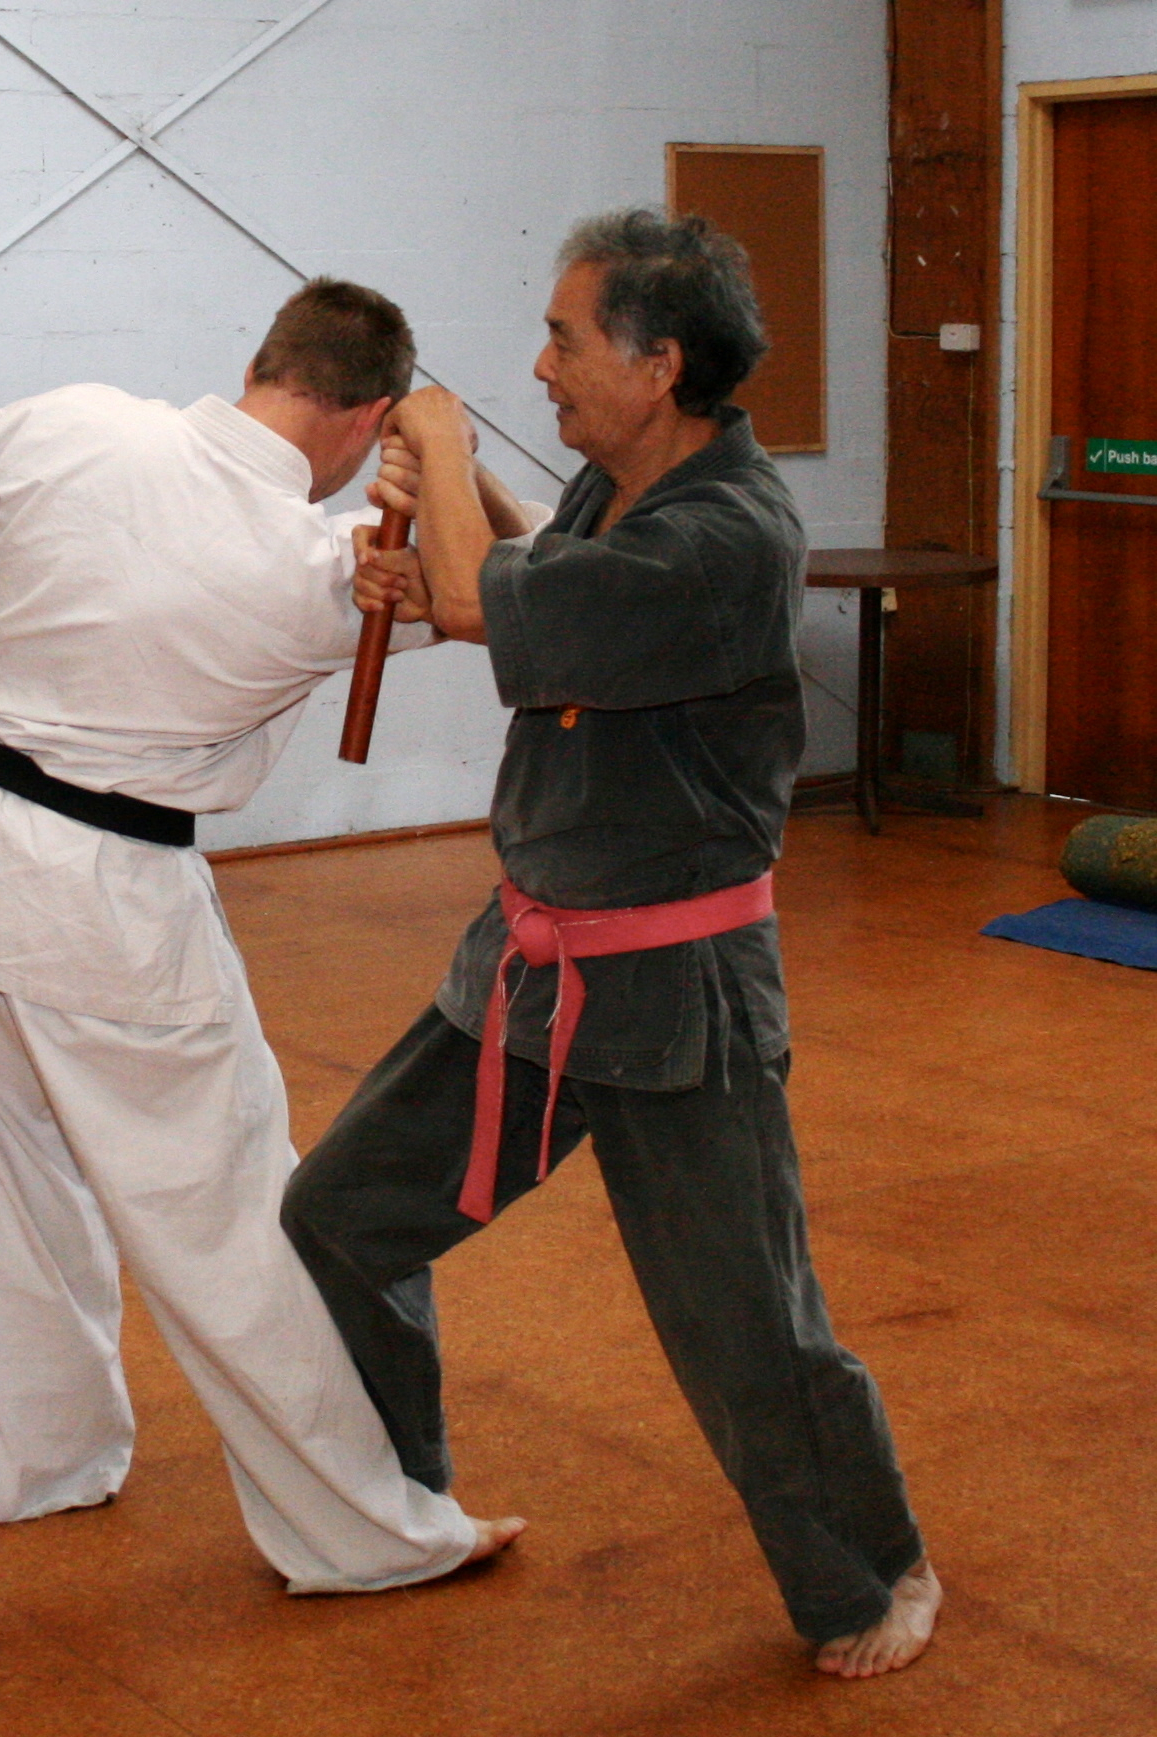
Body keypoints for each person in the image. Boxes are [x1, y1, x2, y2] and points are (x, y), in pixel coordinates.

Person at [283, 211, 939, 1675]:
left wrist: (438, 461)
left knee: (743, 1323)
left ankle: (871, 1567)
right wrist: (459, 530)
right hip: (525, 968)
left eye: (564, 338)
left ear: (658, 366)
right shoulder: (627, 484)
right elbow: (533, 581)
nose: (541, 365)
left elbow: (494, 600)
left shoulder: (727, 536)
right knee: (340, 1213)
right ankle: (398, 1504)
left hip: (673, 993)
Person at [0, 279, 526, 1590]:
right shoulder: (330, 575)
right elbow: (512, 590)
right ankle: (362, 1532)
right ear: (366, 419)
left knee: (18, 1178)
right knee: (229, 1221)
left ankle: (35, 1463)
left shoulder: (56, 421)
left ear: (261, 359)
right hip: (101, 898)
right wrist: (452, 461)